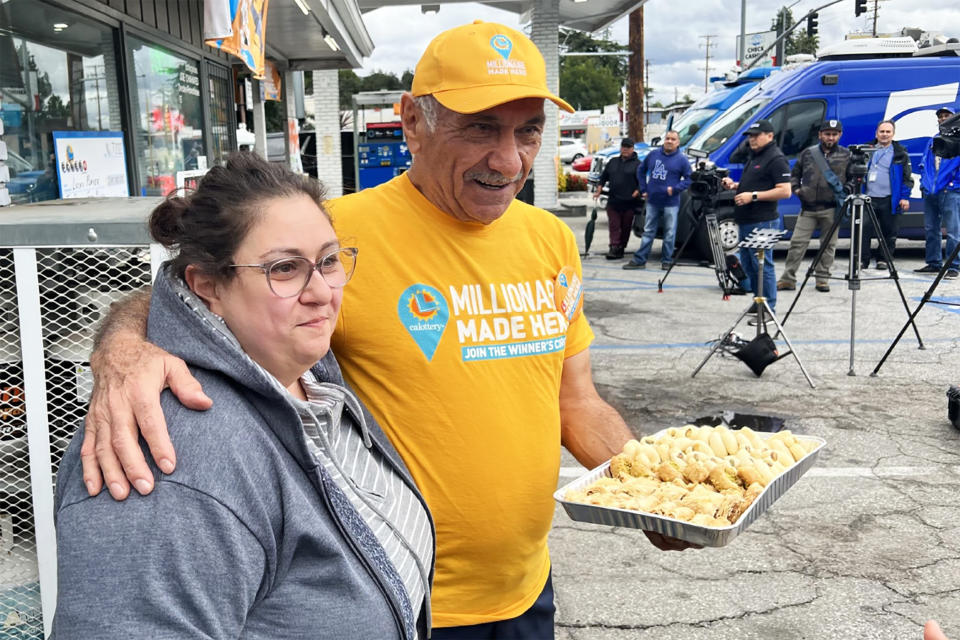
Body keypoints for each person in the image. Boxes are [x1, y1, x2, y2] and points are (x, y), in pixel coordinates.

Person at [77, 21, 693, 640]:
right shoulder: (333, 235)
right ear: (412, 122)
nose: (508, 160)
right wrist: (124, 347)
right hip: (397, 599)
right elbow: (199, 286)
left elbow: (574, 400)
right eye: (480, 128)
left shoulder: (550, 240)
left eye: (527, 131)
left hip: (525, 591)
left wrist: (652, 491)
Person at [52, 153, 435, 638]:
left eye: (329, 260)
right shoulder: (170, 460)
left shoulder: (304, 369)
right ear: (207, 286)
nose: (322, 291)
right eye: (284, 268)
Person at [720, 119, 792, 317]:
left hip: (764, 220)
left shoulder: (776, 158)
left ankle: (769, 307)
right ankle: (758, 301)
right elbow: (757, 183)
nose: (752, 139)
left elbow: (785, 191)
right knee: (750, 263)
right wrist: (736, 186)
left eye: (756, 135)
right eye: (750, 136)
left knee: (762, 264)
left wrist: (752, 196)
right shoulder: (755, 156)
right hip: (747, 218)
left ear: (770, 136)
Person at [777, 119, 852, 293]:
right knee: (797, 244)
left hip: (832, 208)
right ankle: (788, 279)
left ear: (839, 135)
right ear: (820, 135)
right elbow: (794, 174)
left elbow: (853, 180)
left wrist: (844, 191)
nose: (830, 137)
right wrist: (796, 189)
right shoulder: (807, 153)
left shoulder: (846, 155)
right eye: (827, 134)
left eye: (834, 134)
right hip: (808, 208)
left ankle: (822, 280)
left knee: (828, 246)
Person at [623, 130, 691, 270]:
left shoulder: (682, 160)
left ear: (678, 143)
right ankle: (640, 260)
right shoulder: (653, 155)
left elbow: (689, 179)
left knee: (670, 233)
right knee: (648, 231)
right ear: (664, 140)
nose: (670, 141)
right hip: (653, 200)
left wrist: (676, 189)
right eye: (667, 138)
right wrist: (643, 188)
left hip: (671, 203)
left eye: (673, 139)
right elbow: (641, 170)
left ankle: (666, 260)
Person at [861, 119, 913, 270]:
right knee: (864, 231)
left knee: (889, 231)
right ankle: (863, 260)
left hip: (890, 198)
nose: (884, 135)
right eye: (882, 131)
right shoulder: (866, 149)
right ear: (876, 133)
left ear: (893, 134)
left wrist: (904, 197)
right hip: (868, 198)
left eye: (888, 132)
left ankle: (883, 259)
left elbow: (907, 177)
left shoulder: (900, 152)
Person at [915, 107, 960, 278]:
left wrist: (954, 184)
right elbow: (924, 163)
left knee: (953, 230)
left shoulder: (958, 140)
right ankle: (933, 263)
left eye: (947, 116)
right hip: (931, 191)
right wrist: (924, 184)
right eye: (940, 116)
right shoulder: (933, 140)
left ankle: (954, 265)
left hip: (950, 191)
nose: (943, 119)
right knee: (931, 228)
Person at [593, 137, 641, 259]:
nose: (625, 149)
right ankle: (614, 247)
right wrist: (599, 189)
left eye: (628, 147)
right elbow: (603, 177)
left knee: (625, 227)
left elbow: (642, 182)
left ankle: (621, 247)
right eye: (623, 147)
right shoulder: (613, 161)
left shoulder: (638, 164)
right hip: (613, 200)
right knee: (614, 225)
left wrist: (638, 191)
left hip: (629, 201)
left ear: (632, 149)